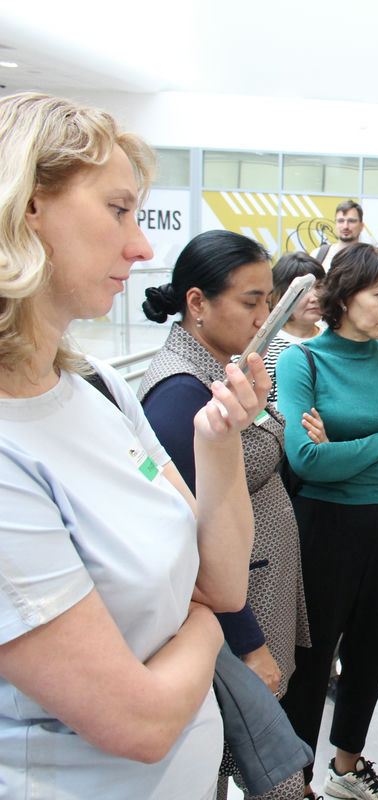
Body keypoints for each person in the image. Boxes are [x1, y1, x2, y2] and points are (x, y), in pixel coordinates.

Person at [0, 92, 266, 796]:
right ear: (27, 205)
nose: (143, 247)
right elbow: (138, 723)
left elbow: (222, 583)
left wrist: (218, 441)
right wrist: (204, 623)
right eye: (118, 210)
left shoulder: (95, 386)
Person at [138, 229, 310, 800]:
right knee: (222, 745)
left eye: (269, 301)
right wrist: (248, 643)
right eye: (251, 301)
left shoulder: (222, 372)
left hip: (257, 584)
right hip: (236, 609)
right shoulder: (178, 394)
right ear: (198, 303)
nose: (264, 317)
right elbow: (192, 546)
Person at [276, 243, 378, 800]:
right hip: (323, 527)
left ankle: (346, 767)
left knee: (370, 650)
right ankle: (296, 782)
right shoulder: (302, 360)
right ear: (344, 297)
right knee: (311, 657)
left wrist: (342, 454)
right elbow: (305, 460)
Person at [263, 251, 326, 403]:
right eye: (305, 289)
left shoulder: (334, 339)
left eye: (319, 286)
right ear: (279, 294)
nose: (315, 297)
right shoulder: (263, 348)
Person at [311, 200, 364, 269]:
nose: (345, 226)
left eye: (351, 221)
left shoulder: (370, 259)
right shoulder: (317, 254)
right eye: (341, 221)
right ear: (335, 224)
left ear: (361, 226)